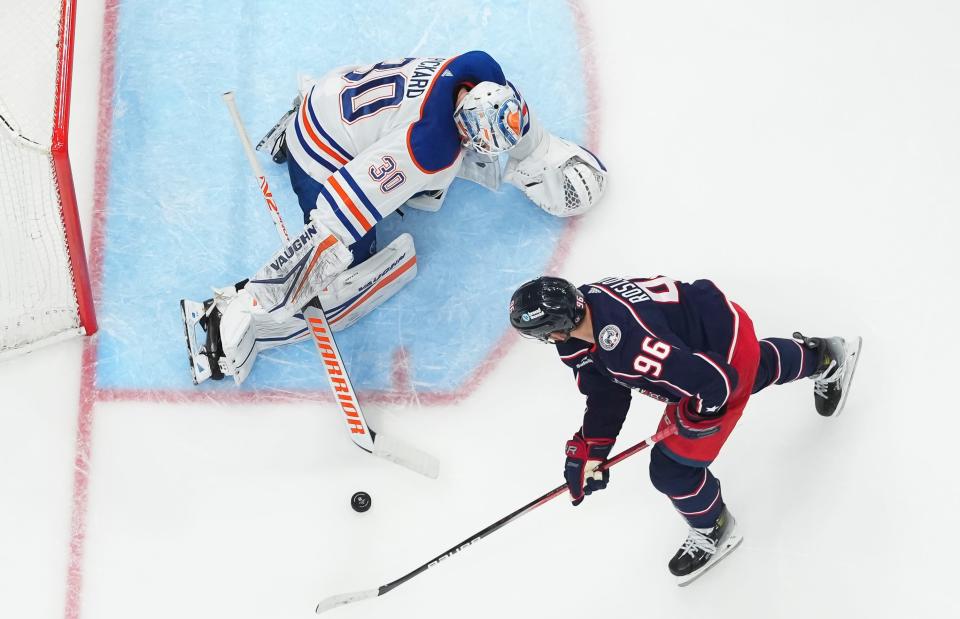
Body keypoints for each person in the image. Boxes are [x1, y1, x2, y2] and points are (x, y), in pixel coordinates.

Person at [180, 51, 608, 385]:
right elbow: (333, 224)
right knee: (347, 259)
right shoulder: (430, 147)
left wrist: (539, 151)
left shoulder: (480, 70)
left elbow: (511, 114)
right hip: (322, 149)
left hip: (337, 92)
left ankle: (305, 113)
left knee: (438, 173)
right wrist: (257, 298)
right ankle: (236, 319)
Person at [508, 275, 861, 585]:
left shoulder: (628, 346)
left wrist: (698, 413)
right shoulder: (587, 317)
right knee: (756, 363)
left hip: (717, 364)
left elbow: (716, 383)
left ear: (552, 331)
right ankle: (826, 357)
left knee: (672, 469)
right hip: (718, 326)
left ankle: (715, 529)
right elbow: (606, 392)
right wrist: (592, 448)